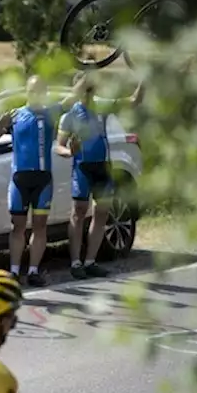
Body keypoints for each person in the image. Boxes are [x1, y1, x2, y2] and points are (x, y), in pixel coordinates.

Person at [0, 76, 85, 287]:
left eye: (40, 91)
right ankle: (13, 272)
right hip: (19, 179)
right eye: (33, 91)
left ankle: (33, 270)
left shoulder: (50, 113)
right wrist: (1, 124)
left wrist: (87, 73)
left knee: (40, 226)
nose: (36, 95)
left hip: (43, 179)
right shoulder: (16, 115)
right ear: (27, 93)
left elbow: (72, 97)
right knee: (18, 226)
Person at [54, 72, 144, 280]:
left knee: (102, 212)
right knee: (78, 212)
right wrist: (70, 152)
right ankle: (76, 262)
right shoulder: (70, 114)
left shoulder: (102, 107)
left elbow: (134, 101)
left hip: (102, 167)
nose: (89, 92)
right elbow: (59, 146)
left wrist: (144, 77)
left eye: (91, 88)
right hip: (82, 167)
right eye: (85, 88)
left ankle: (90, 261)